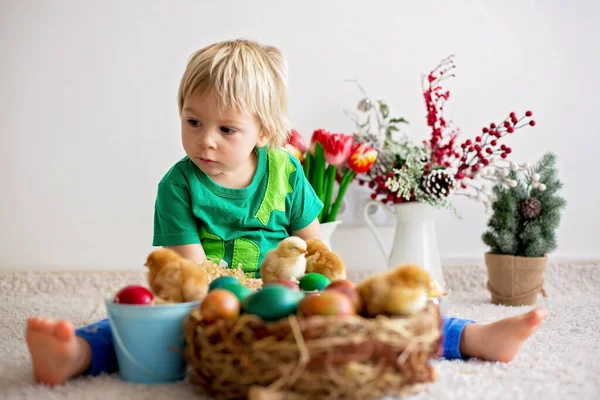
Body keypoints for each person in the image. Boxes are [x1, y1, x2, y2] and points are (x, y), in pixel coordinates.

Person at [25, 39, 547, 387]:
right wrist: (238, 300)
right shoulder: (177, 185)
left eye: (226, 129)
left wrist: (326, 287)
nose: (204, 141)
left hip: (291, 295)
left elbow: (316, 249)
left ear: (264, 131)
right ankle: (76, 356)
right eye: (192, 121)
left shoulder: (285, 171)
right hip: (215, 305)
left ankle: (469, 337)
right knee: (149, 323)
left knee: (372, 312)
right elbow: (187, 276)